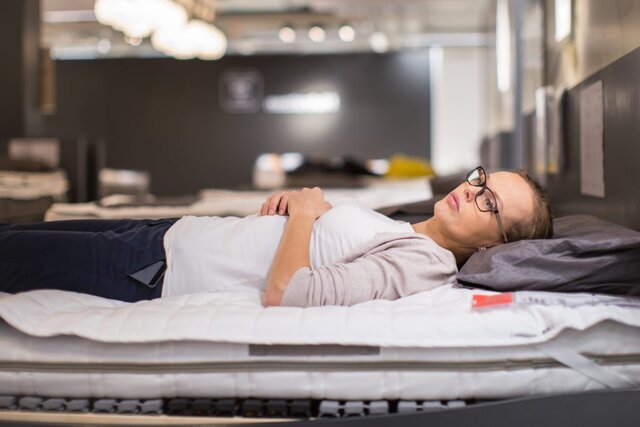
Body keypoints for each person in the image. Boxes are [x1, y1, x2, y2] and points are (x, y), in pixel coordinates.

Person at [0, 166, 552, 307]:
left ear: (493, 246)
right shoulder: (409, 230)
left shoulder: (425, 264)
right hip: (173, 235)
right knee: (16, 234)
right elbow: (325, 244)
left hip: (154, 269)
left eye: (491, 203)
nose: (472, 190)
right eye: (482, 179)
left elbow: (288, 293)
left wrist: (307, 215)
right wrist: (300, 211)